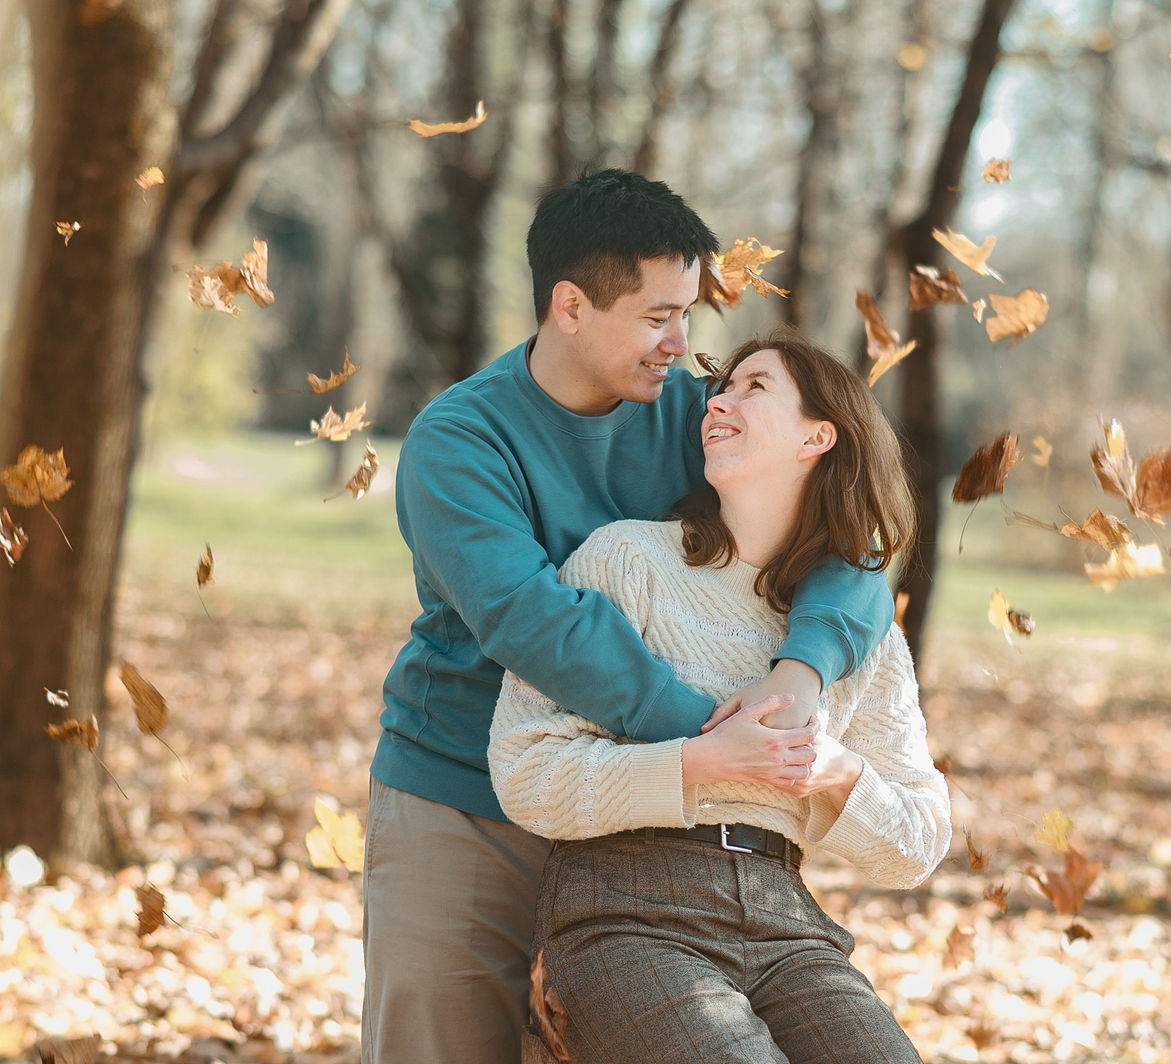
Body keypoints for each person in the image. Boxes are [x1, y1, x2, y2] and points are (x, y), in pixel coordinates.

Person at [364, 171, 895, 1064]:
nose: (682, 344)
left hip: (643, 822)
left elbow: (850, 538)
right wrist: (712, 742)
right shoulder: (460, 442)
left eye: (688, 313)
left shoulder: (698, 417)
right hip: (466, 797)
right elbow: (537, 623)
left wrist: (798, 677)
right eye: (657, 317)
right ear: (570, 306)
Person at [489, 328, 952, 1064]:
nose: (719, 401)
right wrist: (701, 762)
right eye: (721, 386)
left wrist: (828, 770)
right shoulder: (629, 559)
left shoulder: (863, 636)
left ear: (818, 437)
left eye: (754, 387)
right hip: (625, 913)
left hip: (788, 923)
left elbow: (918, 844)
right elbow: (526, 771)